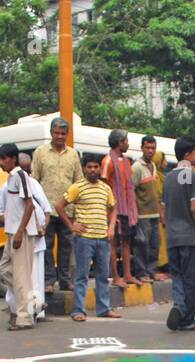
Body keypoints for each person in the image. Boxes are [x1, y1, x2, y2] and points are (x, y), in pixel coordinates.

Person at [0, 142, 51, 330]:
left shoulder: (20, 176)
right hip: (11, 232)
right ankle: (33, 298)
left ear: (12, 159)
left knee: (21, 276)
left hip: (22, 233)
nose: (1, 162)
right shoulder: (9, 179)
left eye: (3, 159)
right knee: (3, 270)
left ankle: (24, 318)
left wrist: (19, 232)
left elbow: (30, 205)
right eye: (0, 159)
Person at [57, 156, 119, 323]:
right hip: (84, 239)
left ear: (99, 168)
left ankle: (104, 309)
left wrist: (111, 227)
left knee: (103, 276)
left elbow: (113, 209)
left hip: (103, 238)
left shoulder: (105, 188)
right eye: (90, 167)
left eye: (96, 166)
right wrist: (71, 226)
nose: (93, 170)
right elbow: (59, 206)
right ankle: (78, 311)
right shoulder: (77, 187)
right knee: (82, 276)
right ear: (84, 168)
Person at [162, 136, 195, 332]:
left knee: (178, 277)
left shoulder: (167, 178)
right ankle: (188, 319)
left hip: (172, 236)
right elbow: (194, 208)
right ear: (187, 154)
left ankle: (178, 307)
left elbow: (163, 210)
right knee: (190, 279)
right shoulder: (193, 176)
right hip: (189, 236)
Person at [32, 117, 83, 292]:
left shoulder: (73, 155)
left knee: (66, 246)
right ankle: (48, 281)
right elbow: (34, 181)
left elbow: (79, 183)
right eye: (56, 133)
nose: (59, 136)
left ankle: (65, 280)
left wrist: (78, 209)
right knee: (46, 246)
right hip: (47, 209)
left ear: (67, 134)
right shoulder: (40, 153)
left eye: (63, 133)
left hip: (67, 209)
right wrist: (37, 208)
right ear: (51, 133)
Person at [101, 129, 138, 288]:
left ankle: (128, 274)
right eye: (126, 141)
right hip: (112, 209)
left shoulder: (126, 161)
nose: (128, 144)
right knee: (113, 243)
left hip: (126, 209)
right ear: (119, 142)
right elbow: (103, 184)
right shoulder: (108, 161)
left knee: (126, 242)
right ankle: (116, 276)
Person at [130, 135, 163, 285]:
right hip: (142, 214)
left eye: (153, 148)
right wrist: (134, 213)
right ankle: (141, 273)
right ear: (142, 148)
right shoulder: (136, 167)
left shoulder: (154, 166)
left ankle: (151, 271)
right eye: (147, 148)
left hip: (155, 212)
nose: (150, 151)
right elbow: (131, 190)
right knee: (141, 245)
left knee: (154, 244)